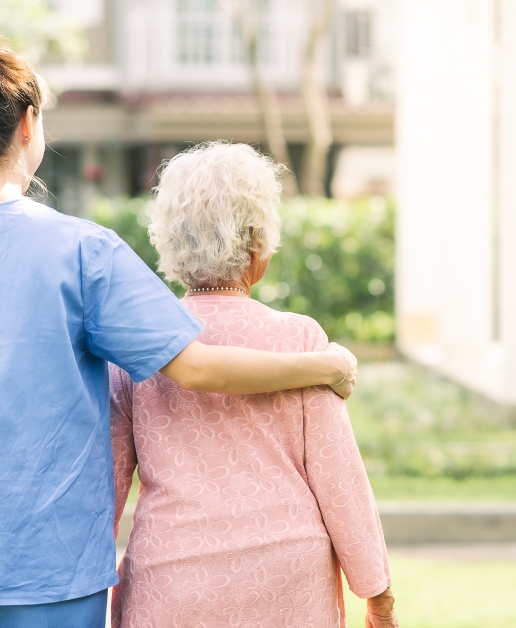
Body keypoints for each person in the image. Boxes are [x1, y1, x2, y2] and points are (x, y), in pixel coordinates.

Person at [0, 19, 358, 628]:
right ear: (28, 123)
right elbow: (196, 367)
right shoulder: (82, 252)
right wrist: (322, 365)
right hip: (47, 570)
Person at [109, 142, 397, 628]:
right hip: (288, 577)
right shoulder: (301, 341)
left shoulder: (140, 346)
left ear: (170, 242)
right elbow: (340, 480)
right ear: (258, 242)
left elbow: (107, 484)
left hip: (173, 579)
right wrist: (378, 595)